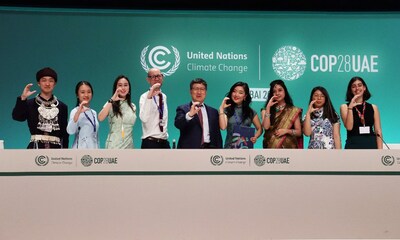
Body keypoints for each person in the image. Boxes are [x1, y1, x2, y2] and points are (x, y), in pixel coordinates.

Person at [12, 67, 69, 149]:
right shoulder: (29, 104)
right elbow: (17, 117)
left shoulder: (62, 106)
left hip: (56, 151)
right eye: (44, 80)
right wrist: (23, 99)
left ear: (55, 84)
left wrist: (65, 153)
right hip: (35, 148)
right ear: (38, 83)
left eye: (51, 81)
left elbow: (65, 134)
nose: (47, 84)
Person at [174, 78, 222, 148]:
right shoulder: (183, 109)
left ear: (205, 92)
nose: (199, 92)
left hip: (210, 150)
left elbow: (217, 135)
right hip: (190, 150)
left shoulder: (213, 112)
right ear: (191, 91)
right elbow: (178, 124)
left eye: (202, 89)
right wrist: (189, 115)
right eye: (196, 89)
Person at [340, 76, 383, 149]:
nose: (357, 88)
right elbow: (349, 127)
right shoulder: (344, 107)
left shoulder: (373, 107)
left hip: (371, 144)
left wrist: (380, 151)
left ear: (364, 88)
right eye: (353, 86)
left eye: (359, 85)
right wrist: (350, 108)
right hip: (353, 144)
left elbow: (378, 130)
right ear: (350, 90)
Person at [219, 81, 262, 148]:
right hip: (229, 149)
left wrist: (255, 137)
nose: (236, 94)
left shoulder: (250, 112)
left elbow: (260, 128)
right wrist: (221, 109)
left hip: (246, 148)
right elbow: (223, 127)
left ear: (245, 96)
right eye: (234, 91)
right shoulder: (227, 110)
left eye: (240, 93)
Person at [98, 75, 137, 149]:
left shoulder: (133, 106)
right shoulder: (110, 103)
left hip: (129, 147)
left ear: (129, 87)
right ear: (116, 88)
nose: (123, 88)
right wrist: (112, 99)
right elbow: (100, 118)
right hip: (114, 147)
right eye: (120, 85)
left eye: (125, 85)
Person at [261, 79, 302, 148]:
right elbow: (266, 127)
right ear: (271, 94)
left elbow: (299, 132)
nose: (277, 93)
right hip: (270, 149)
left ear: (285, 91)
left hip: (288, 150)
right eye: (274, 91)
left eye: (280, 90)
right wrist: (268, 107)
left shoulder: (293, 110)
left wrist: (286, 131)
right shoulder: (265, 110)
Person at [139, 68, 170, 148]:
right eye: (153, 77)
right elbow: (144, 118)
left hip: (164, 142)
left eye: (159, 76)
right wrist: (150, 96)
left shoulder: (164, 96)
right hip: (150, 142)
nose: (157, 79)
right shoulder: (144, 97)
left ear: (162, 77)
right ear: (148, 80)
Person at [67, 81, 99, 149]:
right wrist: (78, 113)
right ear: (77, 95)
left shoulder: (94, 113)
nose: (86, 95)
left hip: (94, 151)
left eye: (89, 92)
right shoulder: (75, 111)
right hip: (79, 152)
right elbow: (70, 131)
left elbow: (95, 136)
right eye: (82, 92)